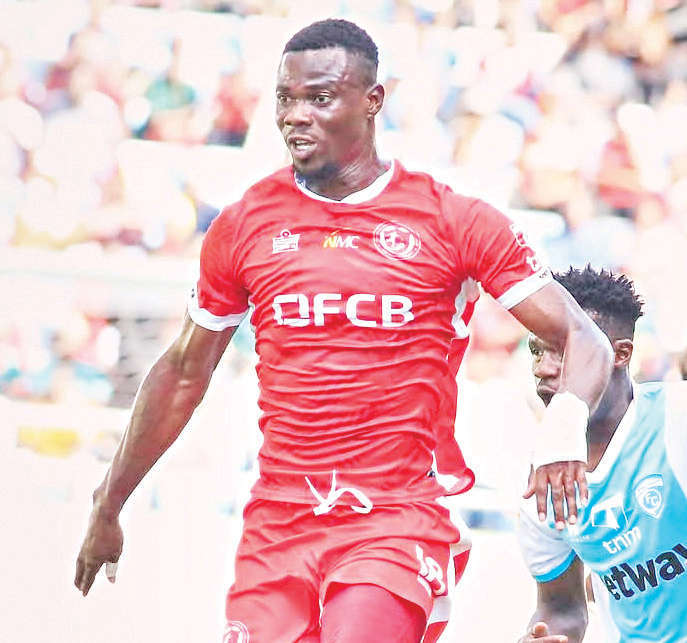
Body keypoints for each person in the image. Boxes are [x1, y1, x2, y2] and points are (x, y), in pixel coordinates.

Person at [75, 19, 614, 643]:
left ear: (372, 100)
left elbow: (584, 337)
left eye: (320, 98)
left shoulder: (451, 220)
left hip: (393, 522)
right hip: (278, 528)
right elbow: (183, 372)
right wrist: (108, 502)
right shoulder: (245, 225)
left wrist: (563, 430)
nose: (294, 116)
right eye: (285, 98)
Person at [518, 266, 687, 643]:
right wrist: (543, 636)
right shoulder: (541, 486)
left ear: (620, 354)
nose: (543, 369)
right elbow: (562, 610)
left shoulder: (677, 418)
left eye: (563, 351)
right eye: (536, 350)